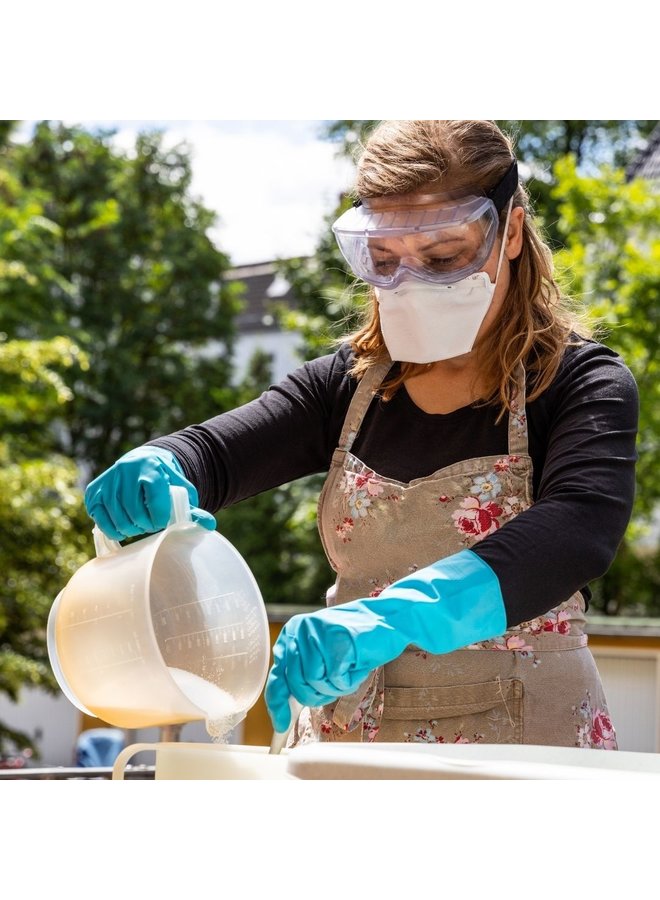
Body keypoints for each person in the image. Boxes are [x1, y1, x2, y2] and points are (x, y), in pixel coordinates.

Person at [84, 120, 638, 750]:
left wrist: (394, 616)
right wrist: (162, 462)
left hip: (526, 746)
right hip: (353, 744)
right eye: (384, 258)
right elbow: (214, 454)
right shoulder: (346, 390)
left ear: (508, 232)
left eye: (443, 255)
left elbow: (578, 530)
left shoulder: (578, 383)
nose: (411, 281)